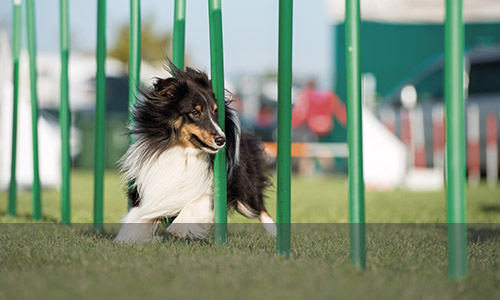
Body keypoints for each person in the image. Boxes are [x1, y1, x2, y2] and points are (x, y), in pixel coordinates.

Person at [291, 79, 346, 174]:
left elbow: (300, 113)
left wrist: (293, 124)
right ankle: (329, 171)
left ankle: (307, 174)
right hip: (326, 128)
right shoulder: (329, 95)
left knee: (307, 153)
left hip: (310, 128)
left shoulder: (306, 95)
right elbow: (340, 110)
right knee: (322, 149)